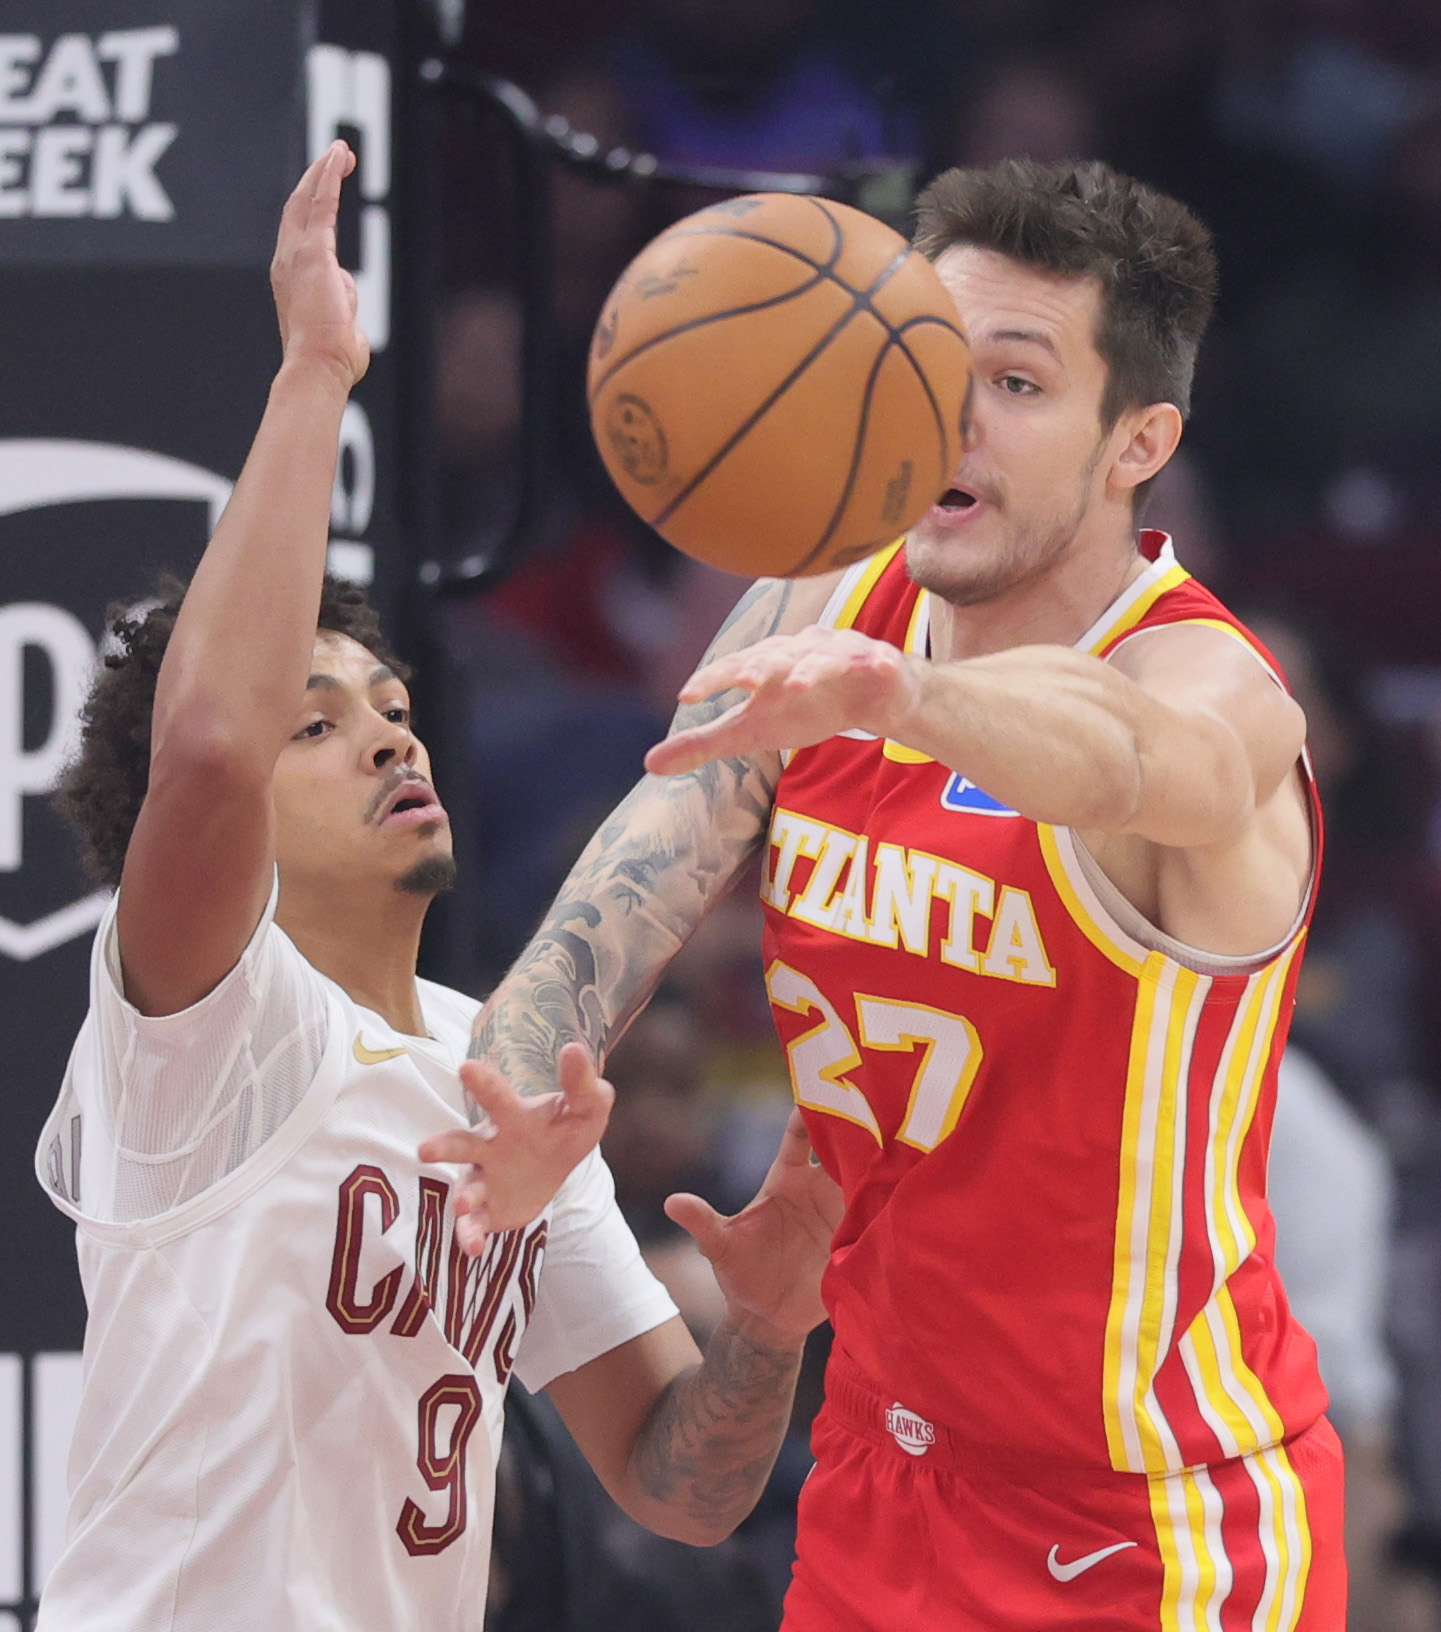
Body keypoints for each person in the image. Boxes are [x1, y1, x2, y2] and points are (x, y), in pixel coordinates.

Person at [437, 158, 1346, 1629]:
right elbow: (636, 874)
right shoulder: (825, 605)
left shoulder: (1212, 685)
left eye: (1018, 384)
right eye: (934, 365)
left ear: (1138, 441)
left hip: (1143, 1522)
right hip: (880, 1468)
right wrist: (515, 1095)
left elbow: (1135, 759)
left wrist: (906, 698)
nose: (953, 418)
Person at [35, 144, 838, 1632]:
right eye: (318, 724)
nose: (391, 736)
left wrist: (773, 1325)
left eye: (394, 707)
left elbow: (677, 1484)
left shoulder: (507, 1078)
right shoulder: (205, 1027)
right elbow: (205, 746)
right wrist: (316, 374)